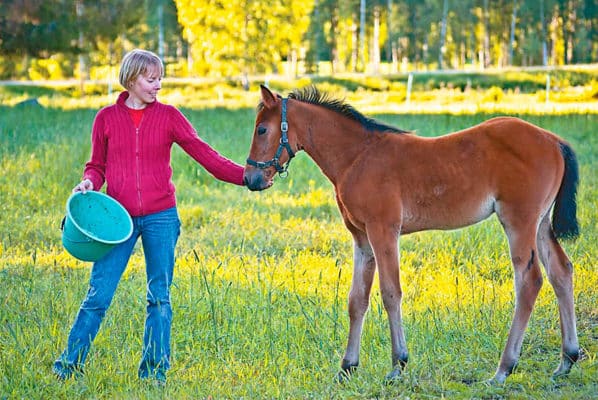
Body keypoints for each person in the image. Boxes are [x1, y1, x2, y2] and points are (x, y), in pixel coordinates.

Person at [53, 49, 245, 384]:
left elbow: (204, 153)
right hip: (117, 222)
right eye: (150, 78)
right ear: (131, 78)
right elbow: (96, 165)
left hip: (161, 217)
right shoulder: (106, 119)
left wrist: (245, 176)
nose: (157, 85)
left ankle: (155, 372)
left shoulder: (169, 116)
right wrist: (89, 181)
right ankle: (69, 364)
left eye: (160, 79)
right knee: (99, 295)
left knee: (159, 298)